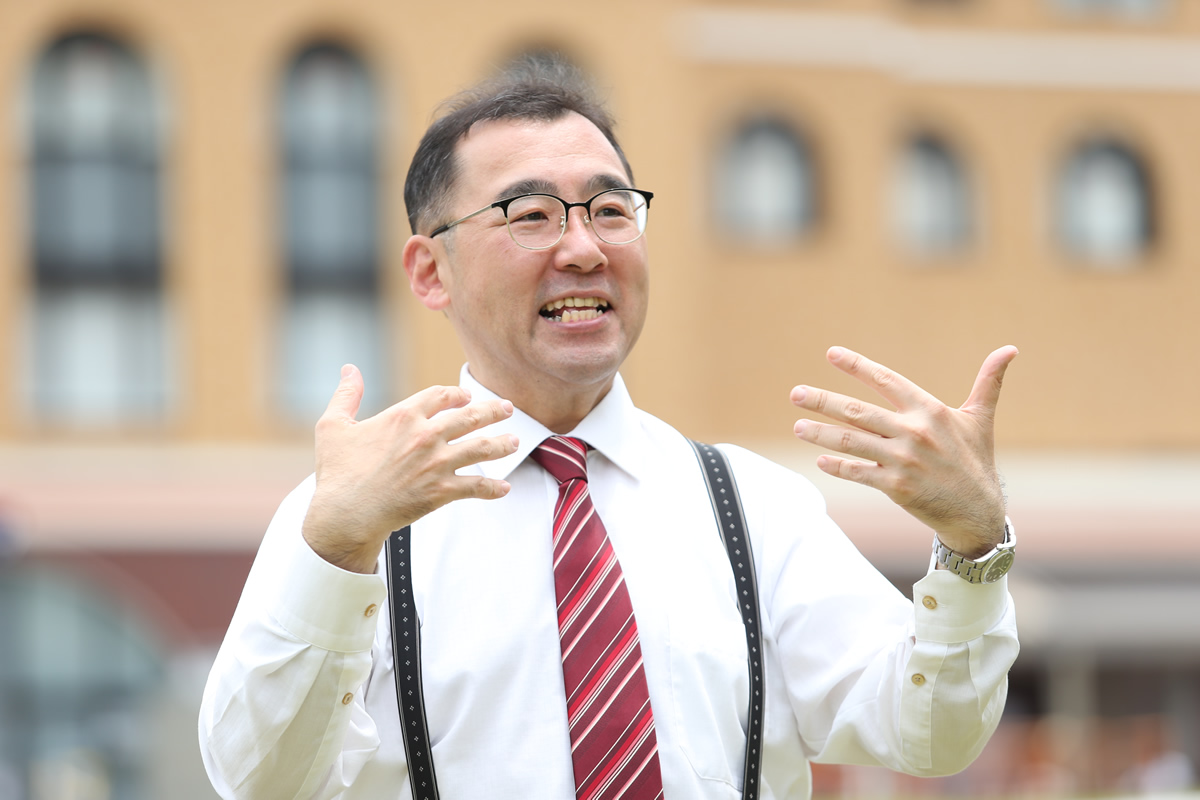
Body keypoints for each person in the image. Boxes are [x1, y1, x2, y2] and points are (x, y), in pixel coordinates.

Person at [199, 57, 1019, 800]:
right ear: (430, 270)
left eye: (610, 209)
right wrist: (335, 552)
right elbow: (262, 782)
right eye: (531, 215)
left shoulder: (753, 506)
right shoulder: (350, 519)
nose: (584, 248)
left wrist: (974, 548)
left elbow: (928, 734)